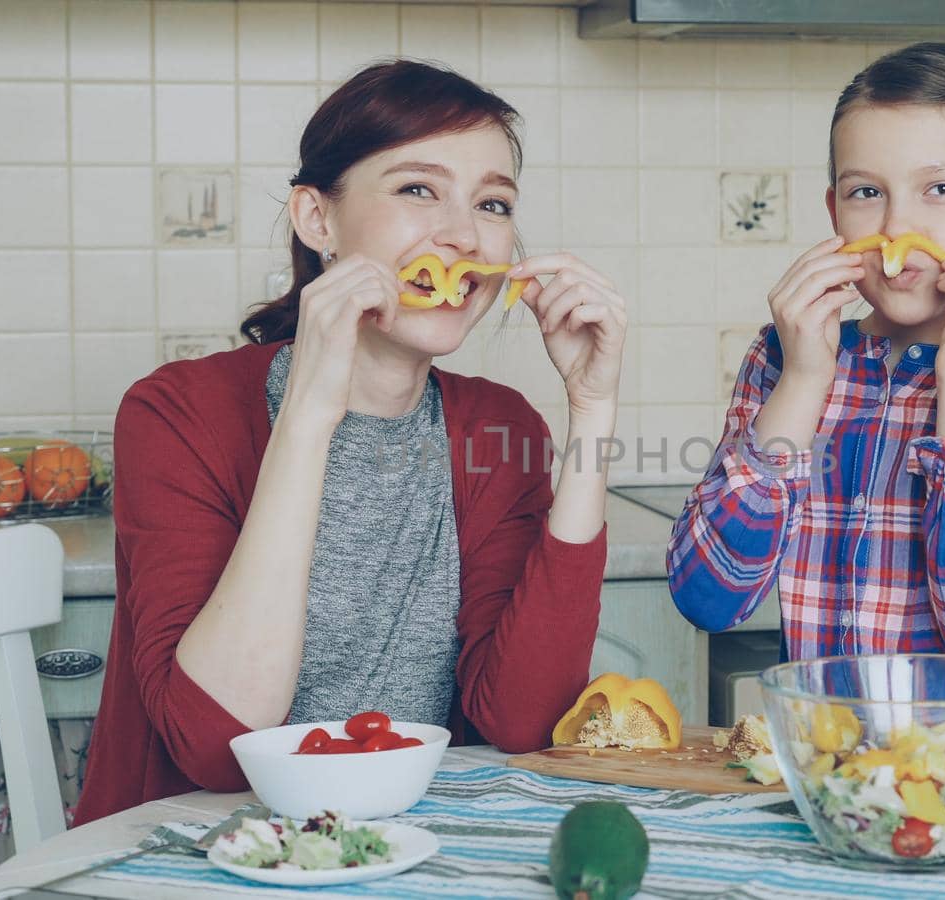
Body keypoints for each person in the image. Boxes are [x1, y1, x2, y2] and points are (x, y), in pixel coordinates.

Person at [77, 60, 630, 823]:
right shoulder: (176, 413)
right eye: (417, 189)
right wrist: (309, 412)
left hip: (422, 847)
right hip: (205, 852)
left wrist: (592, 409)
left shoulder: (500, 432)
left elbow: (521, 719)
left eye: (492, 204)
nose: (463, 234)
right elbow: (215, 745)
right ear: (317, 219)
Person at [667, 43, 945, 777]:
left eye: (940, 189)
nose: (895, 226)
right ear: (834, 213)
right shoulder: (786, 359)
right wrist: (804, 380)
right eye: (865, 192)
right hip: (849, 782)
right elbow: (708, 596)